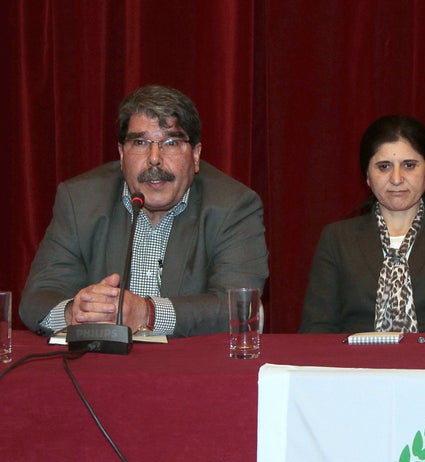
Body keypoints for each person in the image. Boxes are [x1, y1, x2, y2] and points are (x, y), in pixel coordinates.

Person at [20, 85, 268, 338]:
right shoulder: (80, 201)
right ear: (121, 154)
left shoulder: (234, 206)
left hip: (188, 369)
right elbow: (37, 297)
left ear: (195, 155)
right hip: (99, 366)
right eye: (140, 142)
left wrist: (147, 314)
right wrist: (73, 313)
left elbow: (239, 305)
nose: (154, 159)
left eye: (170, 142)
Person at [299, 115, 425, 333]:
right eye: (384, 167)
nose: (397, 178)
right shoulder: (337, 238)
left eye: (409, 165)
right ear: (367, 176)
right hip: (355, 364)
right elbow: (316, 330)